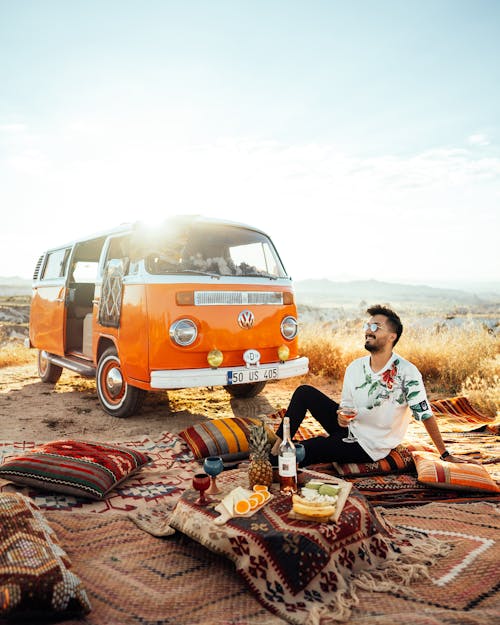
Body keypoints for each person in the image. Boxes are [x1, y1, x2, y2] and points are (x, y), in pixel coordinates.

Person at [272, 305, 476, 466]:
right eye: (367, 326)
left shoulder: (406, 372)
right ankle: (276, 445)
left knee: (309, 448)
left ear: (391, 337)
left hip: (369, 445)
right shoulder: (355, 367)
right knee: (304, 392)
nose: (368, 331)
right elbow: (345, 408)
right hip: (349, 430)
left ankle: (277, 458)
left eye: (375, 327)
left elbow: (425, 414)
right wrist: (341, 418)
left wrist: (445, 453)